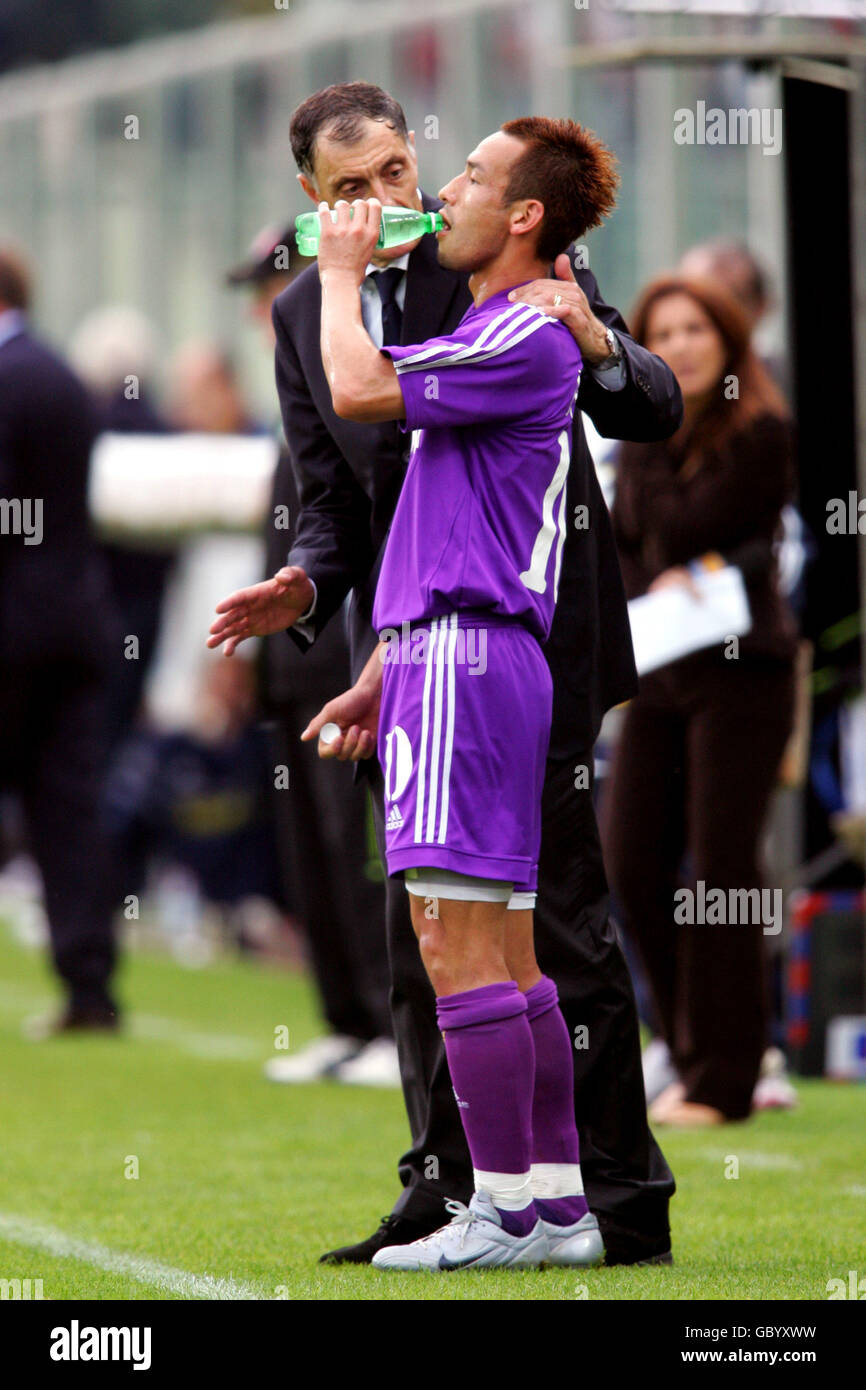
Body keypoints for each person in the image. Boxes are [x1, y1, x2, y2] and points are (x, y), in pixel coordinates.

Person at [208, 81, 681, 1268]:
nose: (389, 201)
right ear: (313, 200)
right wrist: (311, 593)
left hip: (516, 636)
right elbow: (337, 504)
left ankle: (601, 1194)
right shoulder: (297, 319)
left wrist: (597, 342)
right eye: (352, 188)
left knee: (546, 920)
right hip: (412, 645)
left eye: (398, 173)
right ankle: (469, 1188)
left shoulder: (495, 268)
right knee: (434, 928)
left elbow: (646, 402)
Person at [602, 274, 799, 1126]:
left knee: (721, 870)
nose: (678, 345)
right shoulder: (642, 435)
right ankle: (690, 1052)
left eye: (694, 330)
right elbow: (619, 544)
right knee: (632, 858)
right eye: (662, 332)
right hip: (662, 668)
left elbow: (679, 527)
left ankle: (728, 1078)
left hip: (743, 673)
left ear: (727, 341)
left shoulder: (762, 431)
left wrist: (682, 554)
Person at [225, 224, 396, 1084]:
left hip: (350, 657)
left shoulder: (357, 377)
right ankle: (343, 1014)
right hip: (296, 660)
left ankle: (382, 1021)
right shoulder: (300, 382)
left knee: (360, 846)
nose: (266, 307)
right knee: (313, 850)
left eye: (277, 283)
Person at [0, 246, 120, 1034]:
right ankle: (89, 989)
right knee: (68, 814)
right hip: (75, 627)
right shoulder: (62, 372)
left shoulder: (11, 378)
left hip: (12, 630)